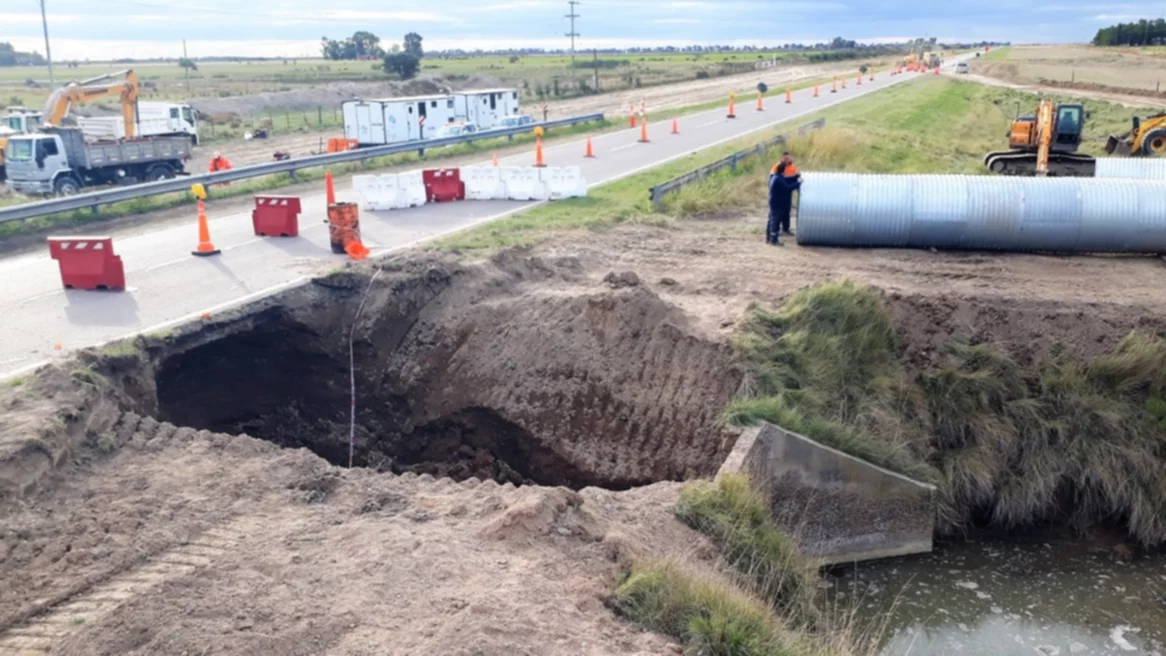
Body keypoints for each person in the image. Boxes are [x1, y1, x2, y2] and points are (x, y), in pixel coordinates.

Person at [767, 152, 802, 245]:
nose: (787, 160)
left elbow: (794, 177)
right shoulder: (777, 170)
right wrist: (798, 184)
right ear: (782, 158)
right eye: (785, 158)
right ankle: (773, 237)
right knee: (775, 217)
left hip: (784, 195)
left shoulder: (792, 167)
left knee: (786, 212)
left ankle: (784, 229)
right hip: (779, 195)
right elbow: (783, 185)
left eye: (788, 158)